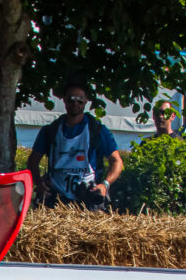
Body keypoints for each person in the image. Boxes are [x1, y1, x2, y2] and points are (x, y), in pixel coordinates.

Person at [26, 81, 123, 210]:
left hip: (87, 199)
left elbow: (117, 162)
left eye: (80, 101)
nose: (75, 104)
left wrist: (105, 185)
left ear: (86, 101)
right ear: (65, 100)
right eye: (71, 100)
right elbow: (32, 161)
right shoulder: (50, 131)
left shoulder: (98, 131)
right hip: (55, 200)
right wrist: (39, 184)